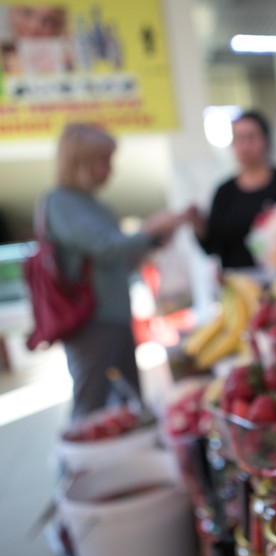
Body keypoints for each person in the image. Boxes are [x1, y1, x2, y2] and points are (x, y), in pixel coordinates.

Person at [40, 122, 188, 421]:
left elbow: (116, 260)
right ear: (80, 162)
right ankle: (80, 467)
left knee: (129, 403)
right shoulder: (60, 203)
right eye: (104, 161)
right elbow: (106, 247)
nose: (110, 169)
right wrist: (149, 230)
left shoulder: (93, 205)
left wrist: (152, 242)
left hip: (115, 316)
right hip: (91, 321)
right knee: (92, 406)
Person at [189, 110, 276, 269]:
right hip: (238, 282)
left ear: (266, 141)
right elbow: (212, 246)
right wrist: (198, 225)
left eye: (251, 137)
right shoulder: (224, 192)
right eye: (239, 138)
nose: (245, 145)